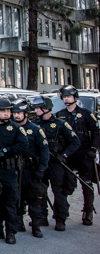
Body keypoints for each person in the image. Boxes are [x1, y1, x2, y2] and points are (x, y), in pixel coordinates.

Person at [30, 95, 80, 231]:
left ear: (46, 109)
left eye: (38, 108)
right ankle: (41, 217)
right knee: (40, 190)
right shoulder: (35, 124)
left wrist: (63, 155)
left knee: (59, 191)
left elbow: (75, 141)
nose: (35, 111)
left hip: (56, 163)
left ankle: (60, 219)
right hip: (41, 163)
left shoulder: (60, 124)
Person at [55, 85, 100, 226]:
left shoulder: (86, 114)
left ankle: (88, 211)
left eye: (68, 96)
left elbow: (96, 132)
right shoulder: (60, 115)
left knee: (86, 183)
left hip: (84, 153)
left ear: (75, 98)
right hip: (67, 154)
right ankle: (62, 211)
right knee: (64, 183)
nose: (66, 99)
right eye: (64, 97)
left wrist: (94, 149)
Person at [0, 98, 27, 244]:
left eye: (8, 111)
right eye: (3, 111)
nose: (6, 114)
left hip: (9, 171)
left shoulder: (16, 128)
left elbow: (23, 145)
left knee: (10, 202)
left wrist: (5, 150)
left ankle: (11, 231)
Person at [12, 99, 50, 238]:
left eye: (19, 113)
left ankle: (36, 225)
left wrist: (41, 170)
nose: (16, 116)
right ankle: (19, 222)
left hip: (31, 170)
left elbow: (44, 151)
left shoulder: (35, 130)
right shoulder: (12, 129)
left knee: (35, 198)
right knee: (17, 197)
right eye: (14, 113)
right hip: (16, 169)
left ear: (26, 114)